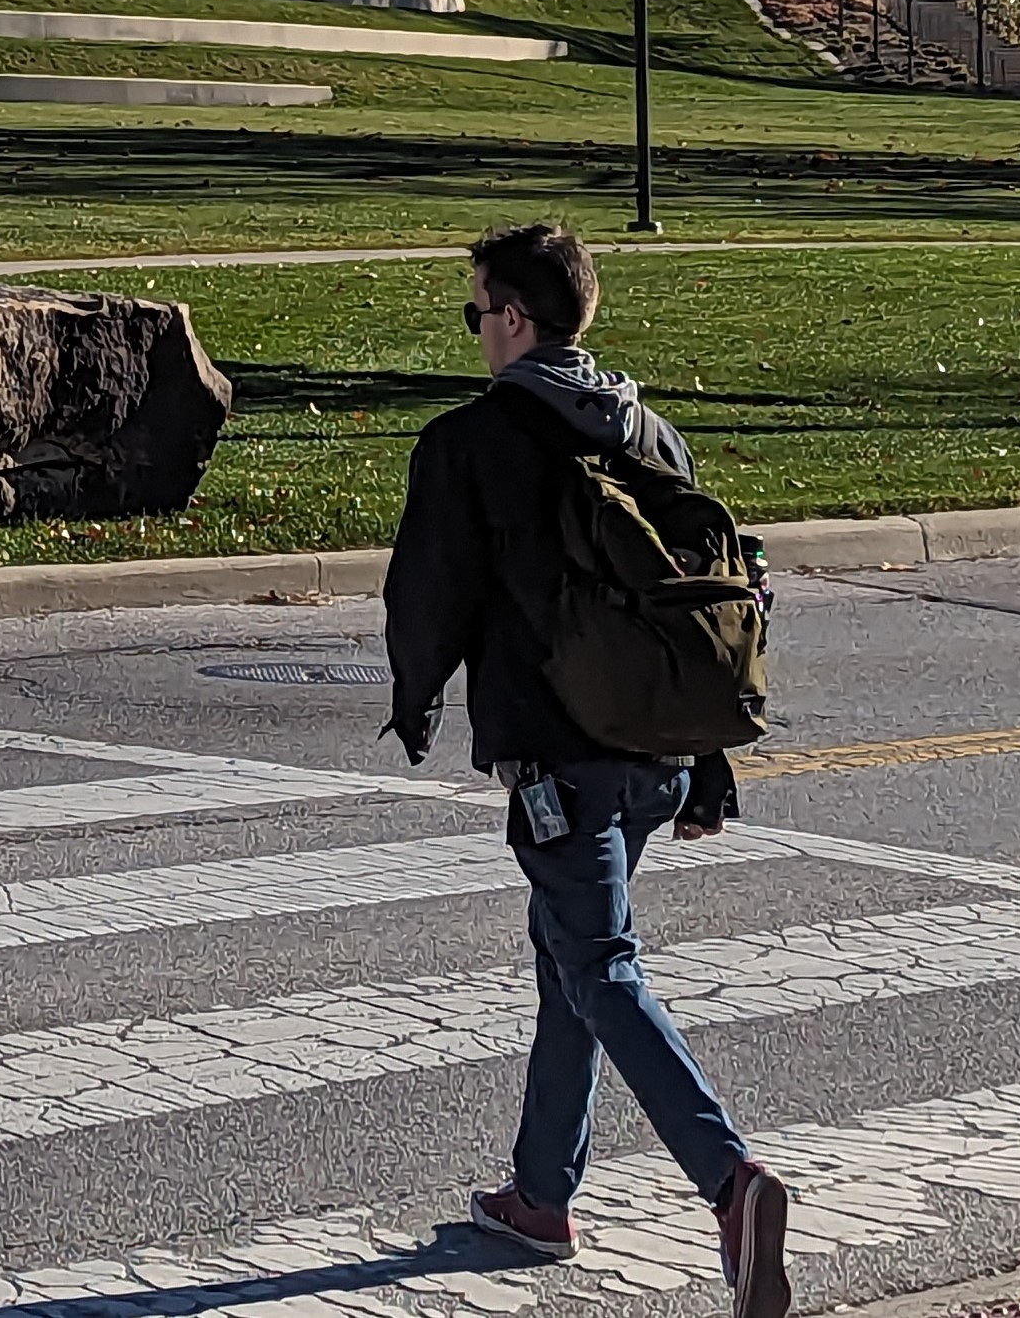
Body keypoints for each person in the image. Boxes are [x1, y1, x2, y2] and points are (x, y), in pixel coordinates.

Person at [383, 224, 791, 1318]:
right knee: (571, 957)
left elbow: (429, 595)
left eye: (479, 312)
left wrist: (414, 701)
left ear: (515, 318)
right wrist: (706, 766)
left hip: (557, 759)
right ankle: (540, 1195)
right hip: (652, 757)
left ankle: (731, 1183)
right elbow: (689, 598)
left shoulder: (471, 442)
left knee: (599, 964)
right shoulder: (649, 431)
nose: (477, 332)